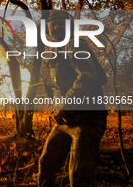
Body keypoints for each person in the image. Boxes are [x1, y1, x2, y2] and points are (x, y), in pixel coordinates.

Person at [37, 10, 108, 187]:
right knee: (47, 164)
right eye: (53, 24)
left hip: (88, 121)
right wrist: (53, 107)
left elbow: (88, 77)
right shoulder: (55, 52)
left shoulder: (75, 46)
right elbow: (58, 87)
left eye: (61, 23)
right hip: (66, 119)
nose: (56, 27)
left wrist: (62, 106)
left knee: (79, 175)